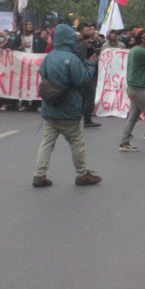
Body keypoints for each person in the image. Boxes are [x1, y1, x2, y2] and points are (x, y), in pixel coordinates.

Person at [32, 24, 102, 187]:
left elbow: (43, 76)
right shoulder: (72, 59)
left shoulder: (48, 57)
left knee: (47, 143)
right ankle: (82, 174)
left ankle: (39, 174)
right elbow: (82, 81)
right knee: (77, 142)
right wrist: (91, 66)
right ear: (69, 39)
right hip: (68, 108)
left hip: (49, 108)